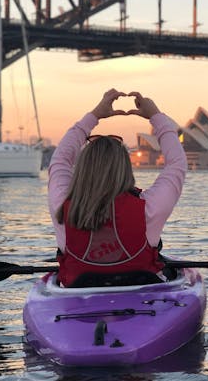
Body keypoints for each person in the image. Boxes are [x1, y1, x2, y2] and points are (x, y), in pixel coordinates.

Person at [48, 88, 187, 287]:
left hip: (76, 295)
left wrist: (94, 115)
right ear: (125, 168)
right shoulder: (149, 208)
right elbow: (177, 164)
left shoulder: (61, 204)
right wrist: (156, 116)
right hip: (143, 297)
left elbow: (60, 160)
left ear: (83, 167)